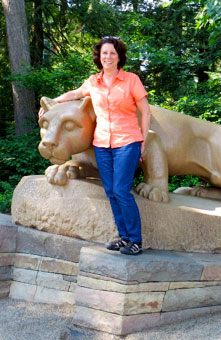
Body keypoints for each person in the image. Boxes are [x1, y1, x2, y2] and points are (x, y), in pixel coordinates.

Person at [39, 37, 151, 255]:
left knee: (121, 189)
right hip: (102, 143)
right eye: (104, 53)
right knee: (110, 191)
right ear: (99, 58)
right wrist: (53, 101)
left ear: (119, 57)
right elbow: (75, 94)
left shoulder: (131, 80)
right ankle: (123, 236)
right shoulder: (93, 82)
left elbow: (145, 112)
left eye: (112, 53)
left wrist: (143, 141)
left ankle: (136, 240)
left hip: (127, 141)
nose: (107, 57)